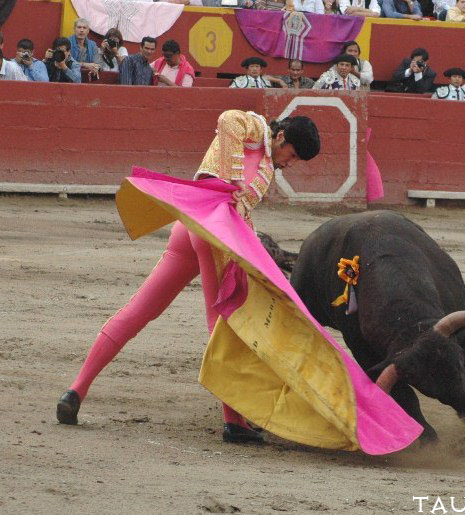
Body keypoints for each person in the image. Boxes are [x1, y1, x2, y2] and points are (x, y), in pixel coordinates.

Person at [56, 110, 321, 444]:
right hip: (210, 229)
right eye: (293, 155)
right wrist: (232, 182)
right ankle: (233, 421)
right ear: (281, 137)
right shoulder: (256, 129)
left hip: (190, 226)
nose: (291, 163)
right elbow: (228, 120)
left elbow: (240, 208)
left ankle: (75, 390)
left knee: (139, 310)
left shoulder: (267, 163)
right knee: (222, 324)